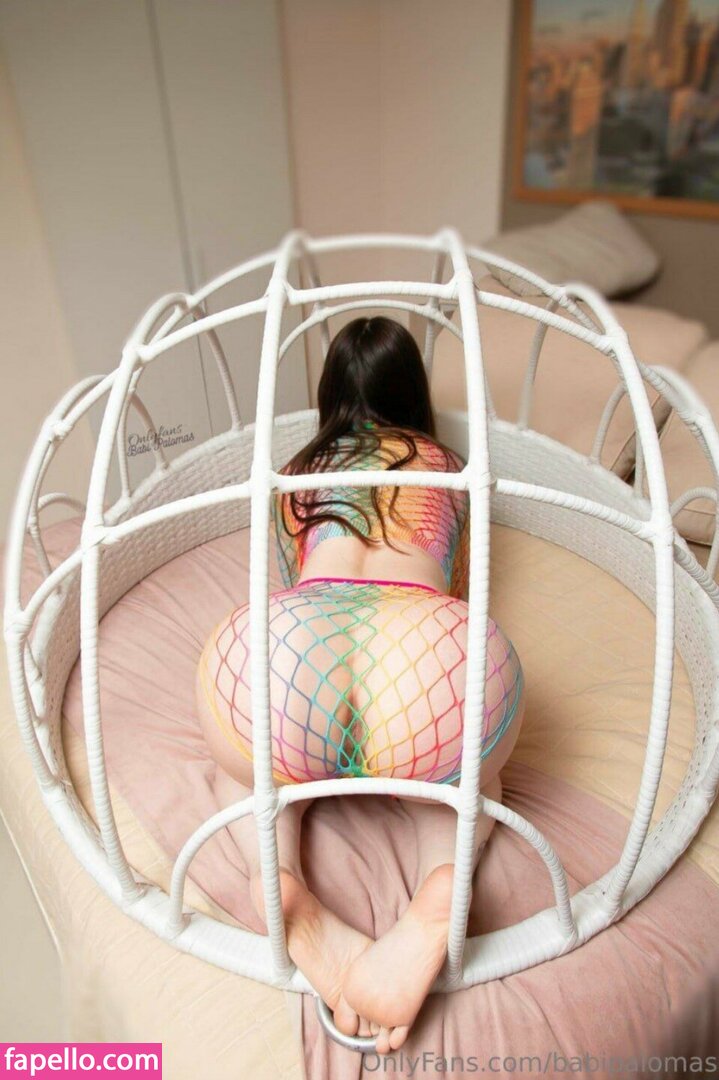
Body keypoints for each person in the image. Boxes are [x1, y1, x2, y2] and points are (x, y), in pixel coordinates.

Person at [196, 316, 525, 1054]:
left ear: (328, 392)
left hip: (295, 650)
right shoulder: (448, 468)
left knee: (245, 772)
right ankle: (443, 881)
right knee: (471, 778)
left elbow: (295, 574)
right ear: (412, 389)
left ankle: (277, 876)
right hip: (421, 650)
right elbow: (459, 583)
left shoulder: (296, 472)